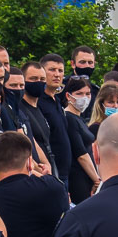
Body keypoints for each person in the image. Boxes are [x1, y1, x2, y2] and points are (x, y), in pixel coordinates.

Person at [38, 54, 74, 187]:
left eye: (60, 70)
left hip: (65, 171)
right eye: (52, 70)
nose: (57, 74)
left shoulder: (57, 100)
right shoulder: (39, 102)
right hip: (52, 170)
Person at [63, 77, 100, 203]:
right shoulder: (69, 118)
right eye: (79, 94)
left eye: (88, 94)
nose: (84, 98)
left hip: (88, 176)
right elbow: (81, 155)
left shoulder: (79, 118)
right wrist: (97, 179)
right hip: (78, 177)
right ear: (68, 96)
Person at [69, 46, 98, 118]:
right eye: (82, 62)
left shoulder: (96, 91)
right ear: (73, 64)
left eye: (90, 62)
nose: (87, 66)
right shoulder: (63, 86)